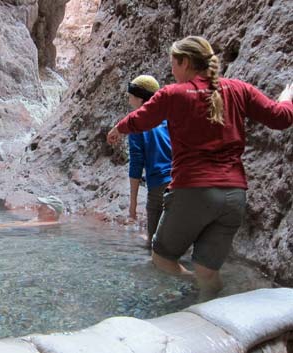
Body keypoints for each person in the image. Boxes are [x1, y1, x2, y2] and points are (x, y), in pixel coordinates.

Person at [107, 36, 293, 298]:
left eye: (173, 64)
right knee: (208, 272)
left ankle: (186, 298)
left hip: (192, 191)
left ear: (185, 62)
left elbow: (141, 119)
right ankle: (208, 313)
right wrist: (287, 98)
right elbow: (281, 118)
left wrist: (118, 128)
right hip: (234, 196)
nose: (172, 70)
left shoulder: (173, 94)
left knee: (162, 258)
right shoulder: (239, 89)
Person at [125, 75, 172, 248]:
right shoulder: (168, 118)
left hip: (159, 186)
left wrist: (133, 206)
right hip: (183, 182)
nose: (129, 101)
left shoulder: (137, 123)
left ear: (139, 98)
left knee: (155, 248)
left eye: (130, 96)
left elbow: (136, 165)